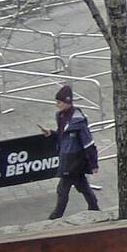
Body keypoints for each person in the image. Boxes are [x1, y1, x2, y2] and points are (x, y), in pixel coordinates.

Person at [41, 85, 99, 219]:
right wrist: (51, 133)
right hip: (67, 158)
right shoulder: (60, 116)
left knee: (63, 189)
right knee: (82, 185)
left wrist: (93, 163)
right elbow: (62, 135)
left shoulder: (78, 121)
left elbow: (88, 143)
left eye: (59, 102)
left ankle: (56, 216)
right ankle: (94, 207)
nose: (57, 105)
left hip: (74, 159)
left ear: (68, 102)